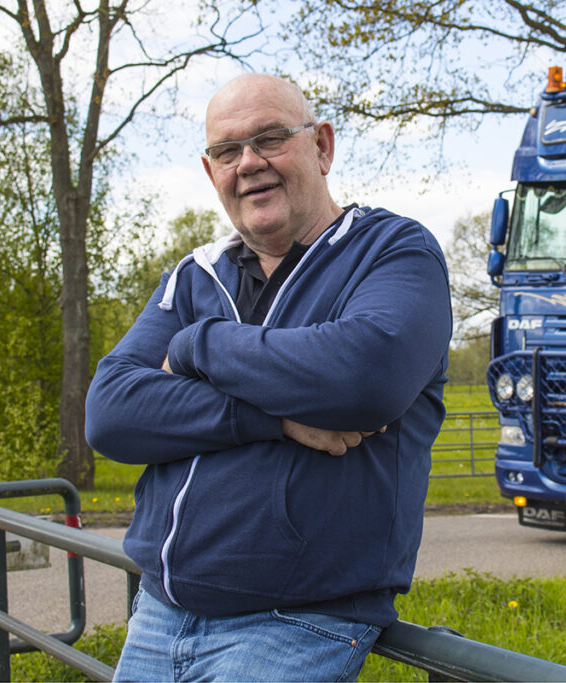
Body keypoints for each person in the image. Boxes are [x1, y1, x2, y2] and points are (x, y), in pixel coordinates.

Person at [85, 73, 452, 682]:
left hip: (298, 623)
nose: (249, 163)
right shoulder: (195, 275)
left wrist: (198, 344)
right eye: (228, 151)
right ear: (212, 173)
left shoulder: (392, 251)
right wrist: (270, 417)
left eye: (271, 138)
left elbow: (365, 376)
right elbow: (112, 411)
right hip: (157, 615)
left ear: (322, 147)